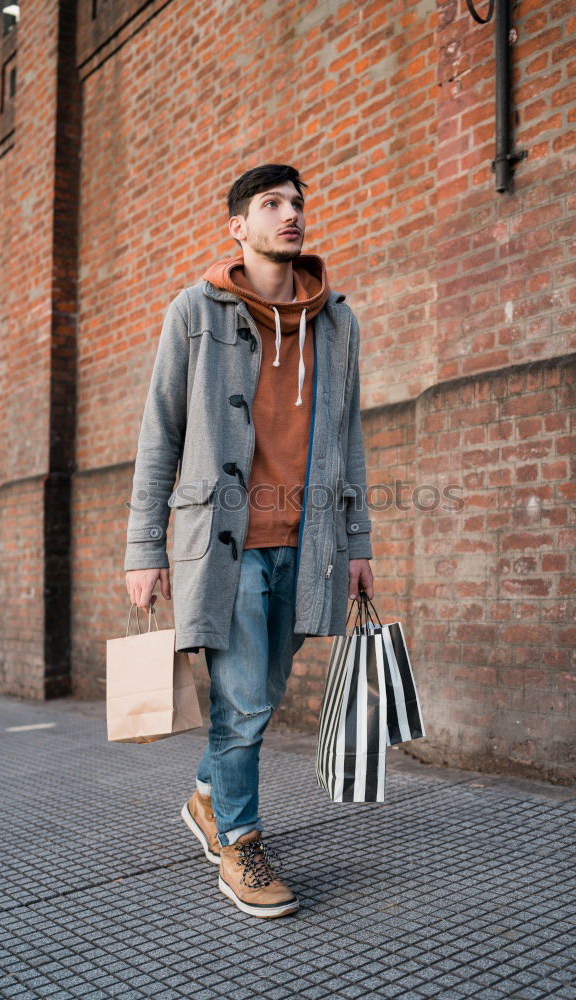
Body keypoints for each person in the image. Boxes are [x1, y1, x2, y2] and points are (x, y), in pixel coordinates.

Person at [125, 164, 374, 918]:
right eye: (272, 204)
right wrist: (145, 546)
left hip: (309, 543)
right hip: (223, 543)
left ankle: (205, 795)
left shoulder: (337, 322)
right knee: (241, 700)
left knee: (261, 695)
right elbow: (159, 433)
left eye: (297, 203)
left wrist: (358, 541)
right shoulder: (193, 313)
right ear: (239, 225)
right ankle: (240, 841)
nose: (291, 214)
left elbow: (350, 436)